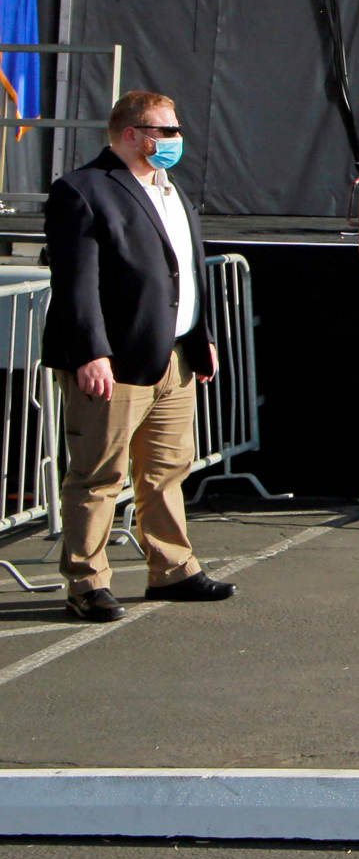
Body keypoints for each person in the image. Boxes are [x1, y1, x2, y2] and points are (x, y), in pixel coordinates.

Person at [43, 91, 232, 621]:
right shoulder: (82, 190)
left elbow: (188, 272)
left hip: (174, 357)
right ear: (132, 134)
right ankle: (86, 581)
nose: (175, 139)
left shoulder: (173, 193)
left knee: (167, 469)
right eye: (165, 131)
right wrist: (90, 352)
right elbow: (77, 282)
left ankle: (172, 569)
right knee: (99, 475)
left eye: (175, 129)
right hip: (114, 362)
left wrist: (202, 337)